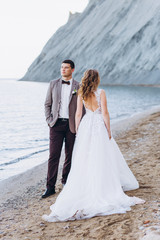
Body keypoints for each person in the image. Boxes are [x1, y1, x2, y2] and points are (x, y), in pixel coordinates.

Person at [42, 69, 144, 221]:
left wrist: (77, 130)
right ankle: (102, 183)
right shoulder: (101, 92)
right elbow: (105, 113)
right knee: (101, 154)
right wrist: (108, 130)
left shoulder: (81, 92)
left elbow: (77, 114)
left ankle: (86, 183)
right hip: (97, 125)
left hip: (85, 125)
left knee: (84, 156)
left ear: (85, 78)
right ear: (97, 79)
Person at [42, 60, 81, 198]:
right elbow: (47, 104)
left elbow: (82, 108)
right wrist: (49, 120)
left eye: (66, 68)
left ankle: (66, 182)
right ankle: (50, 187)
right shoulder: (53, 84)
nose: (63, 70)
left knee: (69, 155)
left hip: (71, 125)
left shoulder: (78, 86)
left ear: (73, 69)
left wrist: (79, 124)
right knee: (53, 156)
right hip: (56, 125)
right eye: (62, 67)